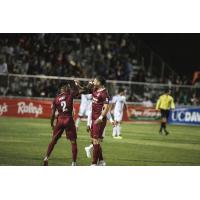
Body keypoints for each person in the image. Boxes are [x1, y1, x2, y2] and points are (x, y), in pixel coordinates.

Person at [75, 76, 110, 166]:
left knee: (95, 141)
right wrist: (78, 85)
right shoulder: (94, 89)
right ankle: (101, 161)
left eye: (95, 81)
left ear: (99, 82)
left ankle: (94, 163)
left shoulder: (104, 93)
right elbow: (83, 91)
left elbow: (106, 108)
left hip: (99, 120)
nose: (93, 81)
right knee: (95, 141)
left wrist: (100, 118)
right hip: (93, 119)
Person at [43, 84, 79, 166]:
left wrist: (52, 124)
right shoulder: (70, 95)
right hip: (68, 119)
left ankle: (46, 157)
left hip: (59, 120)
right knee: (73, 142)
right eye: (69, 88)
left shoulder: (56, 99)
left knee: (53, 140)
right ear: (66, 89)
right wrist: (77, 85)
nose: (70, 89)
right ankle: (73, 163)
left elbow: (52, 114)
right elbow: (80, 91)